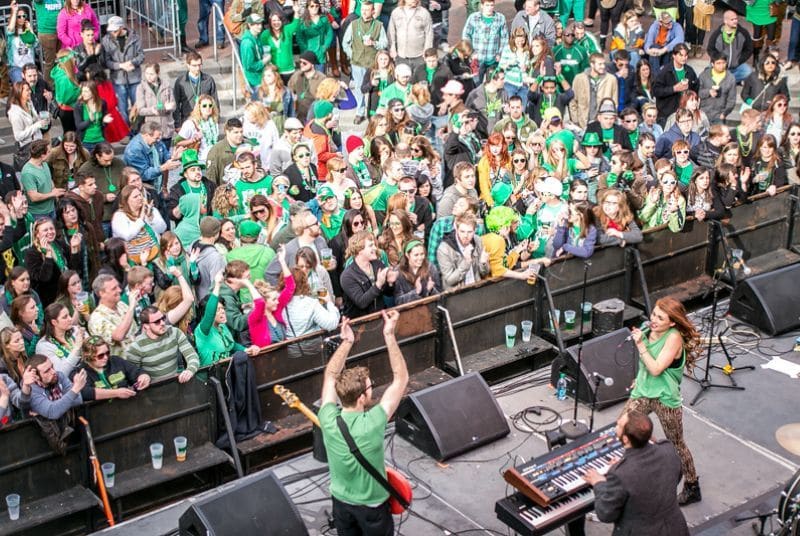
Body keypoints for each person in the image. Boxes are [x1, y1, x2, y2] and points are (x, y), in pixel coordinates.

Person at [319, 310, 408, 536]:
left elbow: (330, 375)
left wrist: (346, 341)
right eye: (370, 387)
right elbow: (401, 378)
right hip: (372, 507)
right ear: (361, 397)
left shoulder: (328, 418)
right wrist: (389, 335)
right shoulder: (374, 421)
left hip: (341, 503)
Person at [626, 296, 702, 505]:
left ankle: (692, 485)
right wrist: (639, 378)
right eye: (653, 314)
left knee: (676, 443)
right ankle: (630, 480)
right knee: (624, 428)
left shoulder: (673, 338)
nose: (654, 320)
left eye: (660, 317)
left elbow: (657, 368)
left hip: (664, 398)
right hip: (643, 392)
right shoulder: (648, 331)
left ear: (672, 322)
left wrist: (640, 345)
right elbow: (647, 366)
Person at [583, 411, 690, 535]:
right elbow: (675, 477)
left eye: (618, 425)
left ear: (625, 439)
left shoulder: (620, 474)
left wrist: (599, 482)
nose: (616, 426)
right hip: (674, 528)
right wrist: (625, 466)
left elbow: (606, 514)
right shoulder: (668, 449)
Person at [342, 2, 389, 124]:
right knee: (358, 88)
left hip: (372, 63)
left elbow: (384, 43)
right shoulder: (354, 24)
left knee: (374, 87)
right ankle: (360, 112)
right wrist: (351, 54)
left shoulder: (378, 25)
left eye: (367, 10)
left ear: (373, 11)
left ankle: (374, 111)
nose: (364, 12)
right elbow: (345, 43)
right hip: (357, 62)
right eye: (363, 10)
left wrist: (374, 43)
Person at [126, 306, 199, 382]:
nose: (162, 323)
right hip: (153, 390)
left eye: (163, 318)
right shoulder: (136, 347)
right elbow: (133, 375)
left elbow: (192, 355)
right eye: (157, 322)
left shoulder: (174, 332)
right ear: (146, 326)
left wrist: (190, 370)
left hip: (176, 384)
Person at [73, 336, 151, 401]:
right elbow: (85, 392)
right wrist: (116, 393)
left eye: (107, 353)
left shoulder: (116, 361)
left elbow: (137, 371)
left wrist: (144, 377)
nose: (106, 357)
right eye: (101, 355)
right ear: (88, 356)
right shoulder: (79, 372)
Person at [101, 15, 144, 125]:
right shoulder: (106, 40)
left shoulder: (135, 37)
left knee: (138, 105)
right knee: (122, 108)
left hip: (134, 78)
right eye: (111, 31)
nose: (113, 33)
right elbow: (106, 62)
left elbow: (141, 56)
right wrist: (120, 66)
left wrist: (132, 62)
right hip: (118, 80)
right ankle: (127, 132)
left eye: (115, 30)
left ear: (121, 27)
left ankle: (138, 130)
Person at [87, 273, 139, 356]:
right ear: (102, 293)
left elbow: (135, 331)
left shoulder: (121, 305)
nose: (119, 290)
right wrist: (131, 306)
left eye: (118, 286)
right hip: (124, 364)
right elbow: (118, 336)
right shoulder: (97, 318)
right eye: (114, 288)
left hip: (139, 355)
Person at [462, 0, 509, 83]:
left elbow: (504, 38)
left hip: (493, 59)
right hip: (477, 60)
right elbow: (466, 35)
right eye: (487, 5)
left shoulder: (500, 18)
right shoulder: (473, 18)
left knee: (493, 84)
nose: (490, 8)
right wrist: (471, 53)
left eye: (492, 5)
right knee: (475, 84)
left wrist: (500, 53)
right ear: (482, 5)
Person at [173, 53, 219, 128]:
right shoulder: (180, 82)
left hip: (206, 120)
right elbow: (176, 104)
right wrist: (177, 124)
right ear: (188, 65)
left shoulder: (208, 80)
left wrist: (216, 120)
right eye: (194, 65)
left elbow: (215, 101)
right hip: (188, 120)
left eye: (199, 65)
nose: (198, 68)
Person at [706, 10, 753, 84]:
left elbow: (749, 49)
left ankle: (726, 81)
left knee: (748, 72)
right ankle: (731, 80)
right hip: (721, 66)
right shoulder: (717, 34)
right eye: (732, 19)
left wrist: (739, 60)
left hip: (736, 66)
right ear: (725, 21)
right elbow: (710, 49)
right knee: (707, 74)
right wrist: (718, 59)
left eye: (736, 19)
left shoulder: (743, 32)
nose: (735, 21)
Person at [135, 64, 177, 146]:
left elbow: (173, 105)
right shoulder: (141, 88)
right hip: (152, 130)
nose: (148, 76)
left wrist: (170, 107)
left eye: (151, 74)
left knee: (165, 155)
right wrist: (152, 110)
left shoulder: (166, 85)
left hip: (166, 128)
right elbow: (140, 110)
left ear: (158, 73)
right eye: (146, 73)